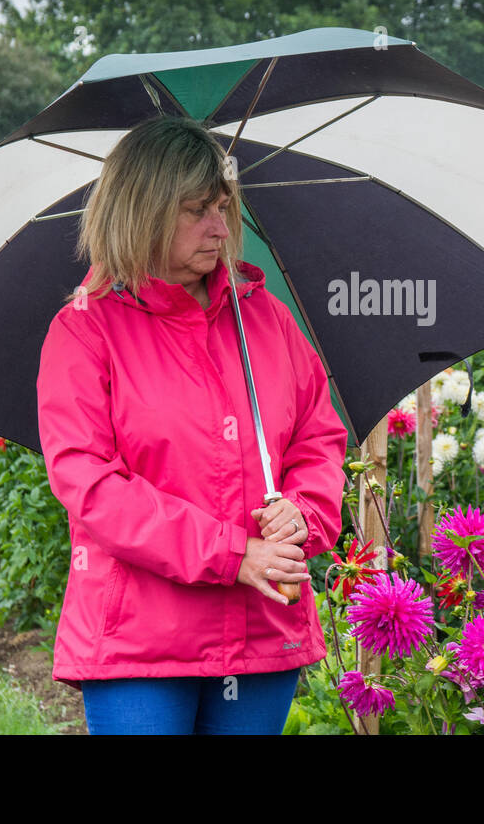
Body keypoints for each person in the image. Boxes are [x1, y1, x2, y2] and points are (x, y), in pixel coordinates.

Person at [35, 114, 348, 734]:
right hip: (139, 642)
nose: (218, 227)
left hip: (263, 630)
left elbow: (318, 438)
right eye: (194, 210)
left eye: (222, 206)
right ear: (142, 212)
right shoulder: (85, 330)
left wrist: (303, 513)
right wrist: (234, 555)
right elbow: (92, 487)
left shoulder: (266, 320)